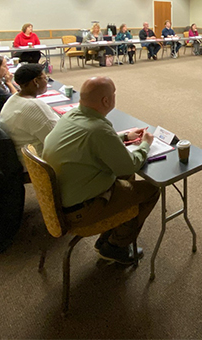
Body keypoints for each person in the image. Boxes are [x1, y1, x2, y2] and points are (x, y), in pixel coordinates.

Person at [43, 76, 160, 265]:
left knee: (126, 177)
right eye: (113, 94)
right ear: (106, 100)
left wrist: (123, 137)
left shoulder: (71, 116)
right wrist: (145, 145)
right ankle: (115, 246)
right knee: (151, 190)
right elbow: (130, 164)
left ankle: (111, 234)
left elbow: (95, 142)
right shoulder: (98, 129)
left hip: (63, 196)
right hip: (81, 209)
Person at [0, 63, 59, 166]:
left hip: (19, 157)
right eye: (45, 78)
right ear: (35, 82)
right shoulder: (33, 106)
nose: (46, 82)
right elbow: (59, 140)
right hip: (37, 164)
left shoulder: (14, 98)